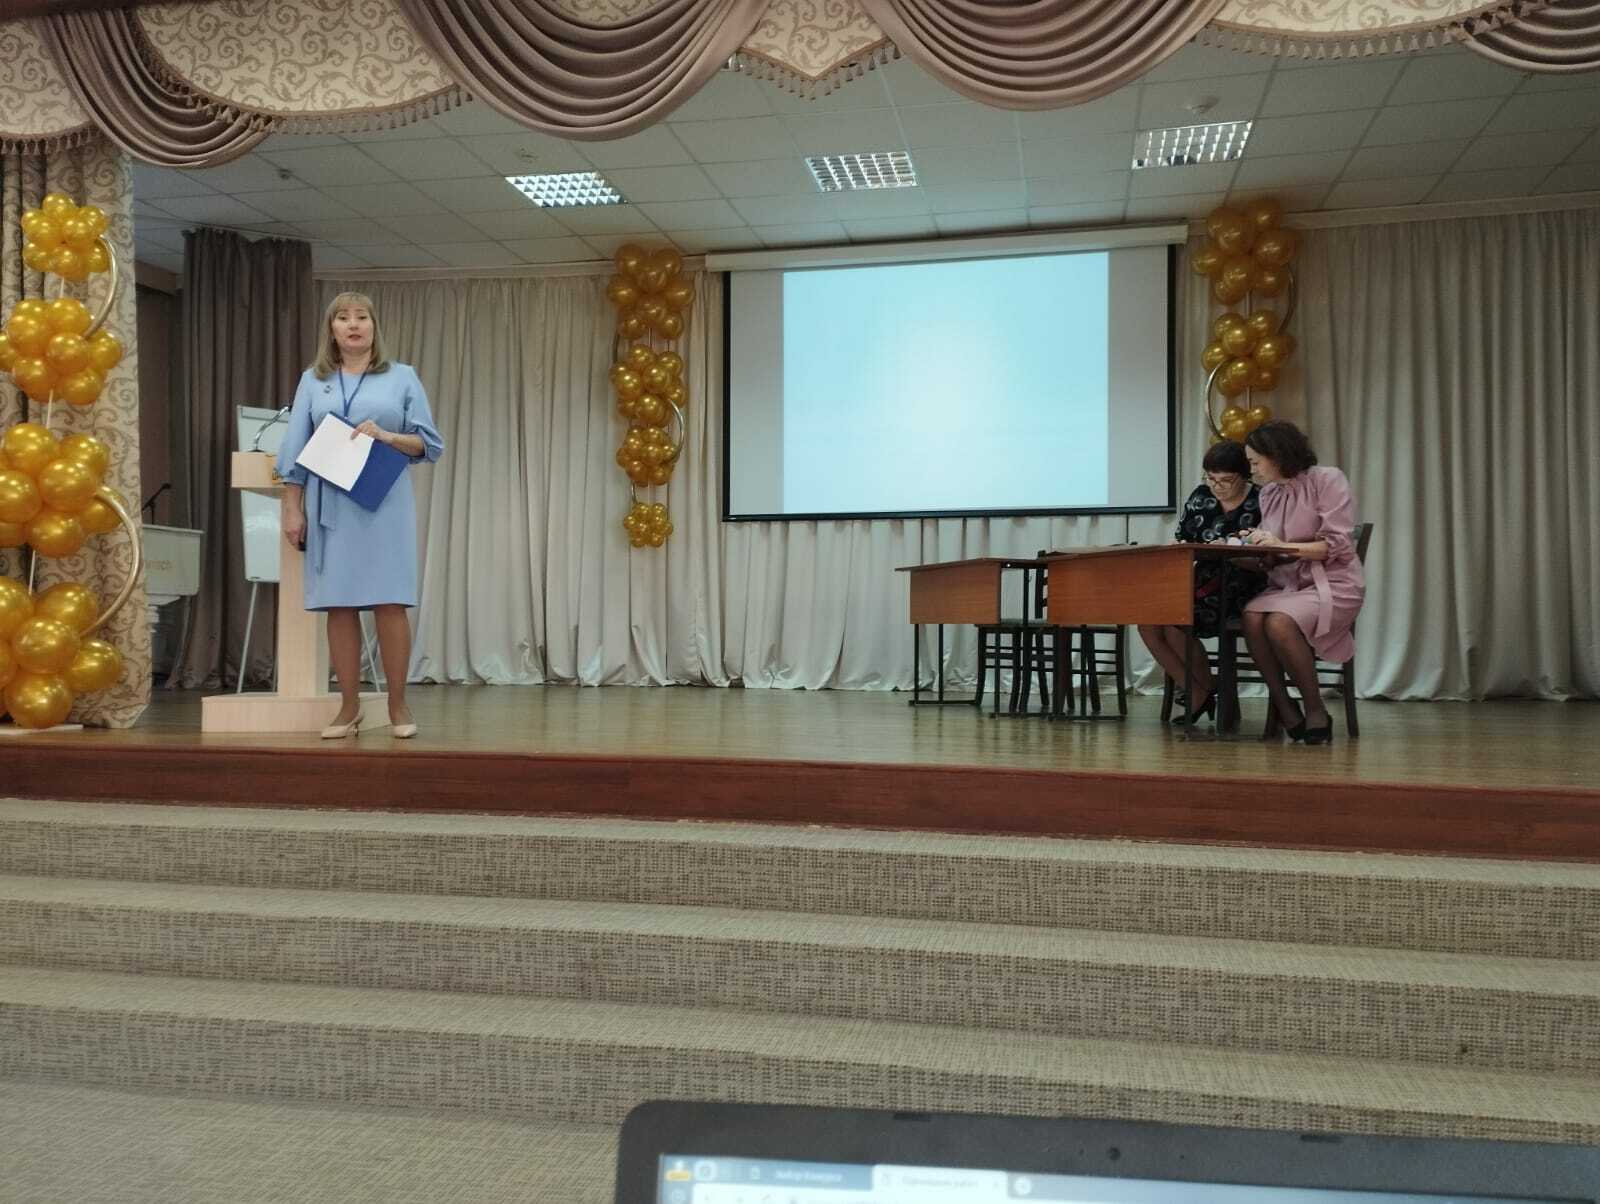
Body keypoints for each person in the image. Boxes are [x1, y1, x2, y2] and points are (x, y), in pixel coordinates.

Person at [275, 292, 444, 740]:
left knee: (390, 601)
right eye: (344, 318)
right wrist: (292, 508)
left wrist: (388, 436)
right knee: (340, 603)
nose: (353, 324)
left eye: (362, 317)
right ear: (331, 330)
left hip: (384, 502)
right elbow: (294, 448)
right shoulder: (313, 380)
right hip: (330, 503)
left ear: (374, 326)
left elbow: (429, 444)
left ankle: (397, 703)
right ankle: (348, 707)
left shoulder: (402, 377)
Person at [1239, 419, 1364, 746]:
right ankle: (1284, 705)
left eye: (1255, 462)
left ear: (1277, 455)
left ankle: (1314, 707)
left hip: (1334, 583)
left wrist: (1278, 545)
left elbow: (1336, 546)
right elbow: (1278, 551)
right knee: (1251, 617)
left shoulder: (1327, 479)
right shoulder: (1269, 493)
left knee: (1279, 623)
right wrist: (1256, 546)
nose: (1251, 469)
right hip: (1288, 586)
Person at [1139, 439, 1266, 724]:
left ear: (1244, 476)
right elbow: (1183, 537)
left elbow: (1268, 552)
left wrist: (1232, 549)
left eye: (1226, 480)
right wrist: (1179, 546)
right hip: (1201, 577)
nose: (1217, 486)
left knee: (1176, 618)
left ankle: (1201, 692)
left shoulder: (1261, 500)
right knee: (1147, 620)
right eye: (1211, 478)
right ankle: (1198, 688)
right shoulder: (1200, 496)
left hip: (1244, 582)